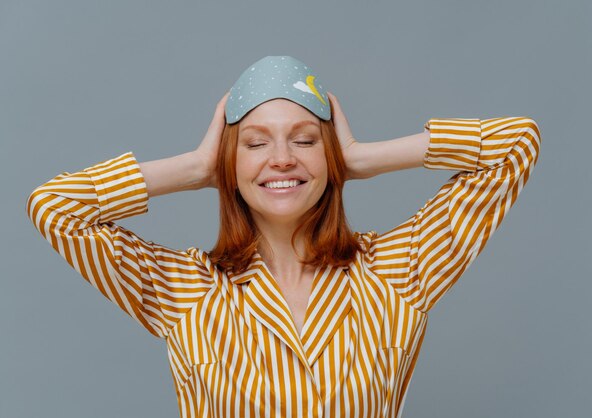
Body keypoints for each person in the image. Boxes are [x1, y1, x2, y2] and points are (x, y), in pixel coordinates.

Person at [26, 55, 542, 418]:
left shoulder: (398, 271)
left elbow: (514, 144)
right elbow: (56, 207)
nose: (281, 159)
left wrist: (360, 157)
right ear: (231, 161)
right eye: (254, 143)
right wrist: (197, 166)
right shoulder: (183, 290)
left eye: (305, 140)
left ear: (327, 153)